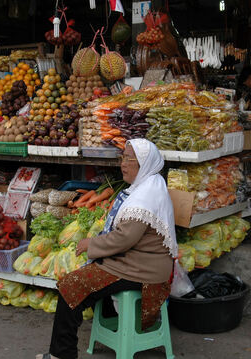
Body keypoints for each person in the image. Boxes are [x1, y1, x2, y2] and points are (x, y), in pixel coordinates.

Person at [36, 138, 178, 359]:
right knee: (89, 277)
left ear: (144, 163)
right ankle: (114, 328)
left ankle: (60, 355)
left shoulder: (146, 195)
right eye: (123, 158)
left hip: (142, 269)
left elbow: (124, 238)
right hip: (137, 262)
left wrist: (90, 244)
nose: (123, 164)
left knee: (70, 288)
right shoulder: (150, 184)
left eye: (130, 159)